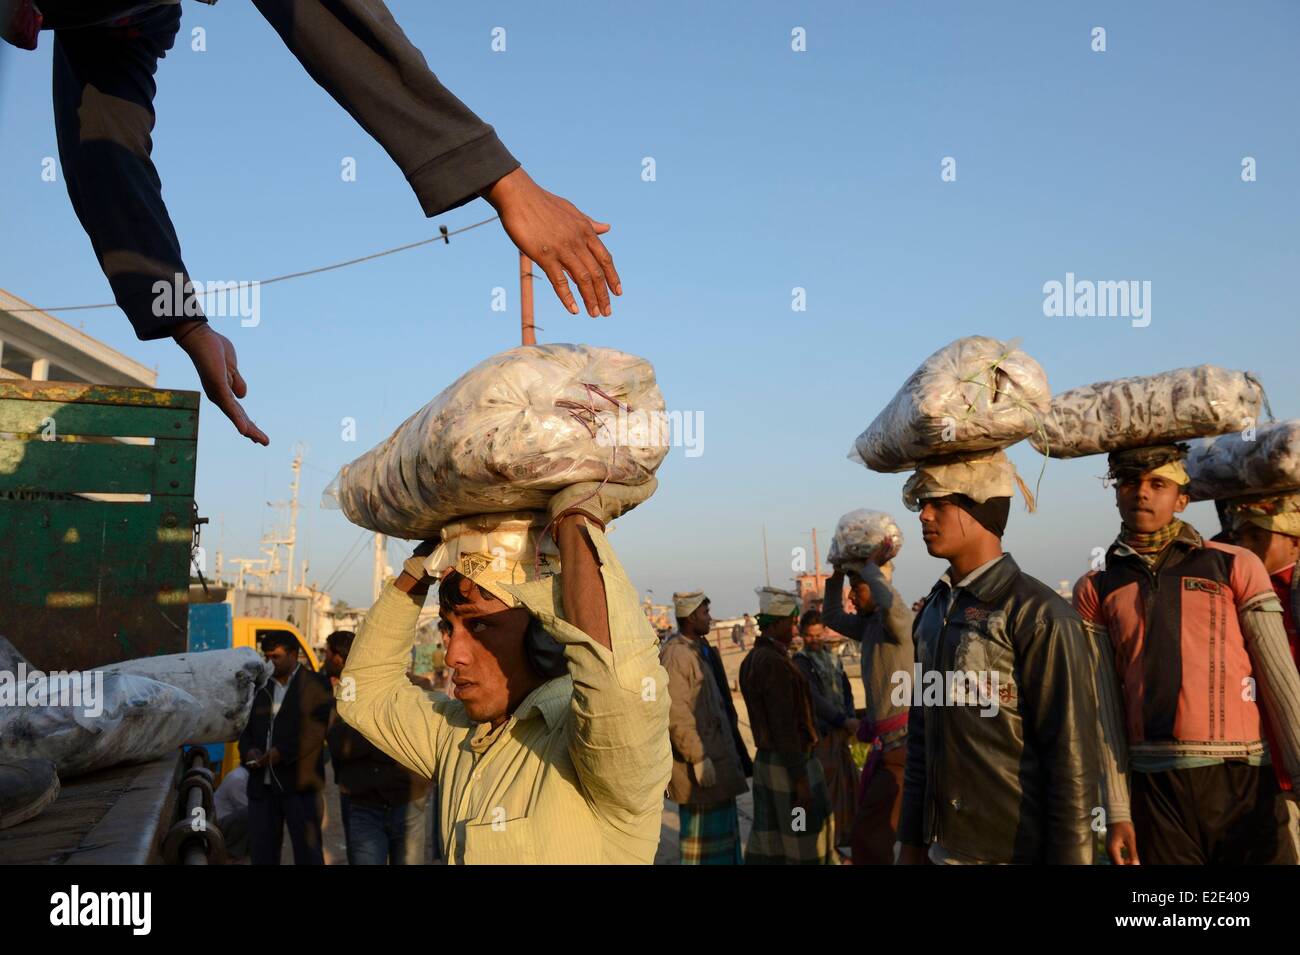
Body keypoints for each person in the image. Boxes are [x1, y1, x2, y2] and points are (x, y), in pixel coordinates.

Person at [3, 0, 622, 444]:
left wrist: (185, 323)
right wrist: (504, 181)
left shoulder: (135, 15)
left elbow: (107, 155)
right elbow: (335, 17)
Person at [335, 484, 672, 864]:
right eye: (448, 629)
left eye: (479, 627)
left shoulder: (585, 749)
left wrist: (575, 517)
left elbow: (619, 688)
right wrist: (423, 565)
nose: (453, 656)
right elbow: (364, 692)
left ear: (544, 637)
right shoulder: (456, 736)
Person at [1074, 445, 1300, 865]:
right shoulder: (1096, 585)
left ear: (1181, 499)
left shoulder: (1233, 564)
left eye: (1158, 484)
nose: (1142, 493)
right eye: (1129, 482)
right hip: (1154, 785)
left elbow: (1280, 678)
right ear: (1117, 493)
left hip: (1244, 774)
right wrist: (1119, 811)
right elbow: (1104, 704)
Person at [897, 450, 1108, 865]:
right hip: (944, 849)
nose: (924, 515)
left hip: (1013, 851)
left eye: (939, 503)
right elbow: (922, 741)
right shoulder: (934, 613)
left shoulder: (1039, 614)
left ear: (983, 510)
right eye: (922, 504)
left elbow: (1071, 759)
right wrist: (911, 845)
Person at [822, 536, 914, 864]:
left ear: (877, 588)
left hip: (902, 748)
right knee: (876, 836)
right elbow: (831, 616)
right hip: (886, 747)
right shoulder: (871, 627)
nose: (850, 596)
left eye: (856, 588)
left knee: (872, 837)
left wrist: (872, 571)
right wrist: (835, 577)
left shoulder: (898, 627)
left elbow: (893, 607)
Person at [738, 586, 837, 864]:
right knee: (802, 840)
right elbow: (785, 727)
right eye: (791, 621)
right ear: (778, 622)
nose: (794, 626)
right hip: (789, 766)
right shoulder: (774, 664)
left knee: (774, 842)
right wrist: (800, 781)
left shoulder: (753, 660)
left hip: (771, 763)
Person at [324, 629, 432, 865]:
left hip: (408, 802)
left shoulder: (420, 688)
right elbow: (338, 744)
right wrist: (388, 732)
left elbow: (423, 741)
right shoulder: (351, 692)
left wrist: (367, 728)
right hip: (364, 804)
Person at [660, 591, 751, 864]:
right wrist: (697, 756)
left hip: (718, 760)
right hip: (698, 767)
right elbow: (676, 713)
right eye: (705, 614)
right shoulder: (677, 655)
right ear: (689, 617)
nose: (710, 618)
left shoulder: (701, 650)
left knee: (723, 841)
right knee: (702, 849)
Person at [238, 632, 334, 865]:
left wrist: (282, 753)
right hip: (262, 788)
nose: (271, 662)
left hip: (300, 786)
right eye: (267, 656)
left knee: (308, 853)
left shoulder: (315, 684)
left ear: (293, 655)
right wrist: (249, 751)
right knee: (262, 854)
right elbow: (243, 726)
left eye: (277, 656)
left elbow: (316, 730)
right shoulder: (257, 686)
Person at [792, 609, 858, 852]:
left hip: (840, 733)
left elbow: (846, 687)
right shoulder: (801, 663)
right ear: (802, 635)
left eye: (819, 635)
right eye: (810, 636)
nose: (815, 640)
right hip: (821, 735)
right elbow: (814, 699)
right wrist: (843, 720)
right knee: (826, 791)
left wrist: (850, 717)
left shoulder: (832, 657)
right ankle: (825, 844)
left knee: (846, 789)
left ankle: (840, 840)